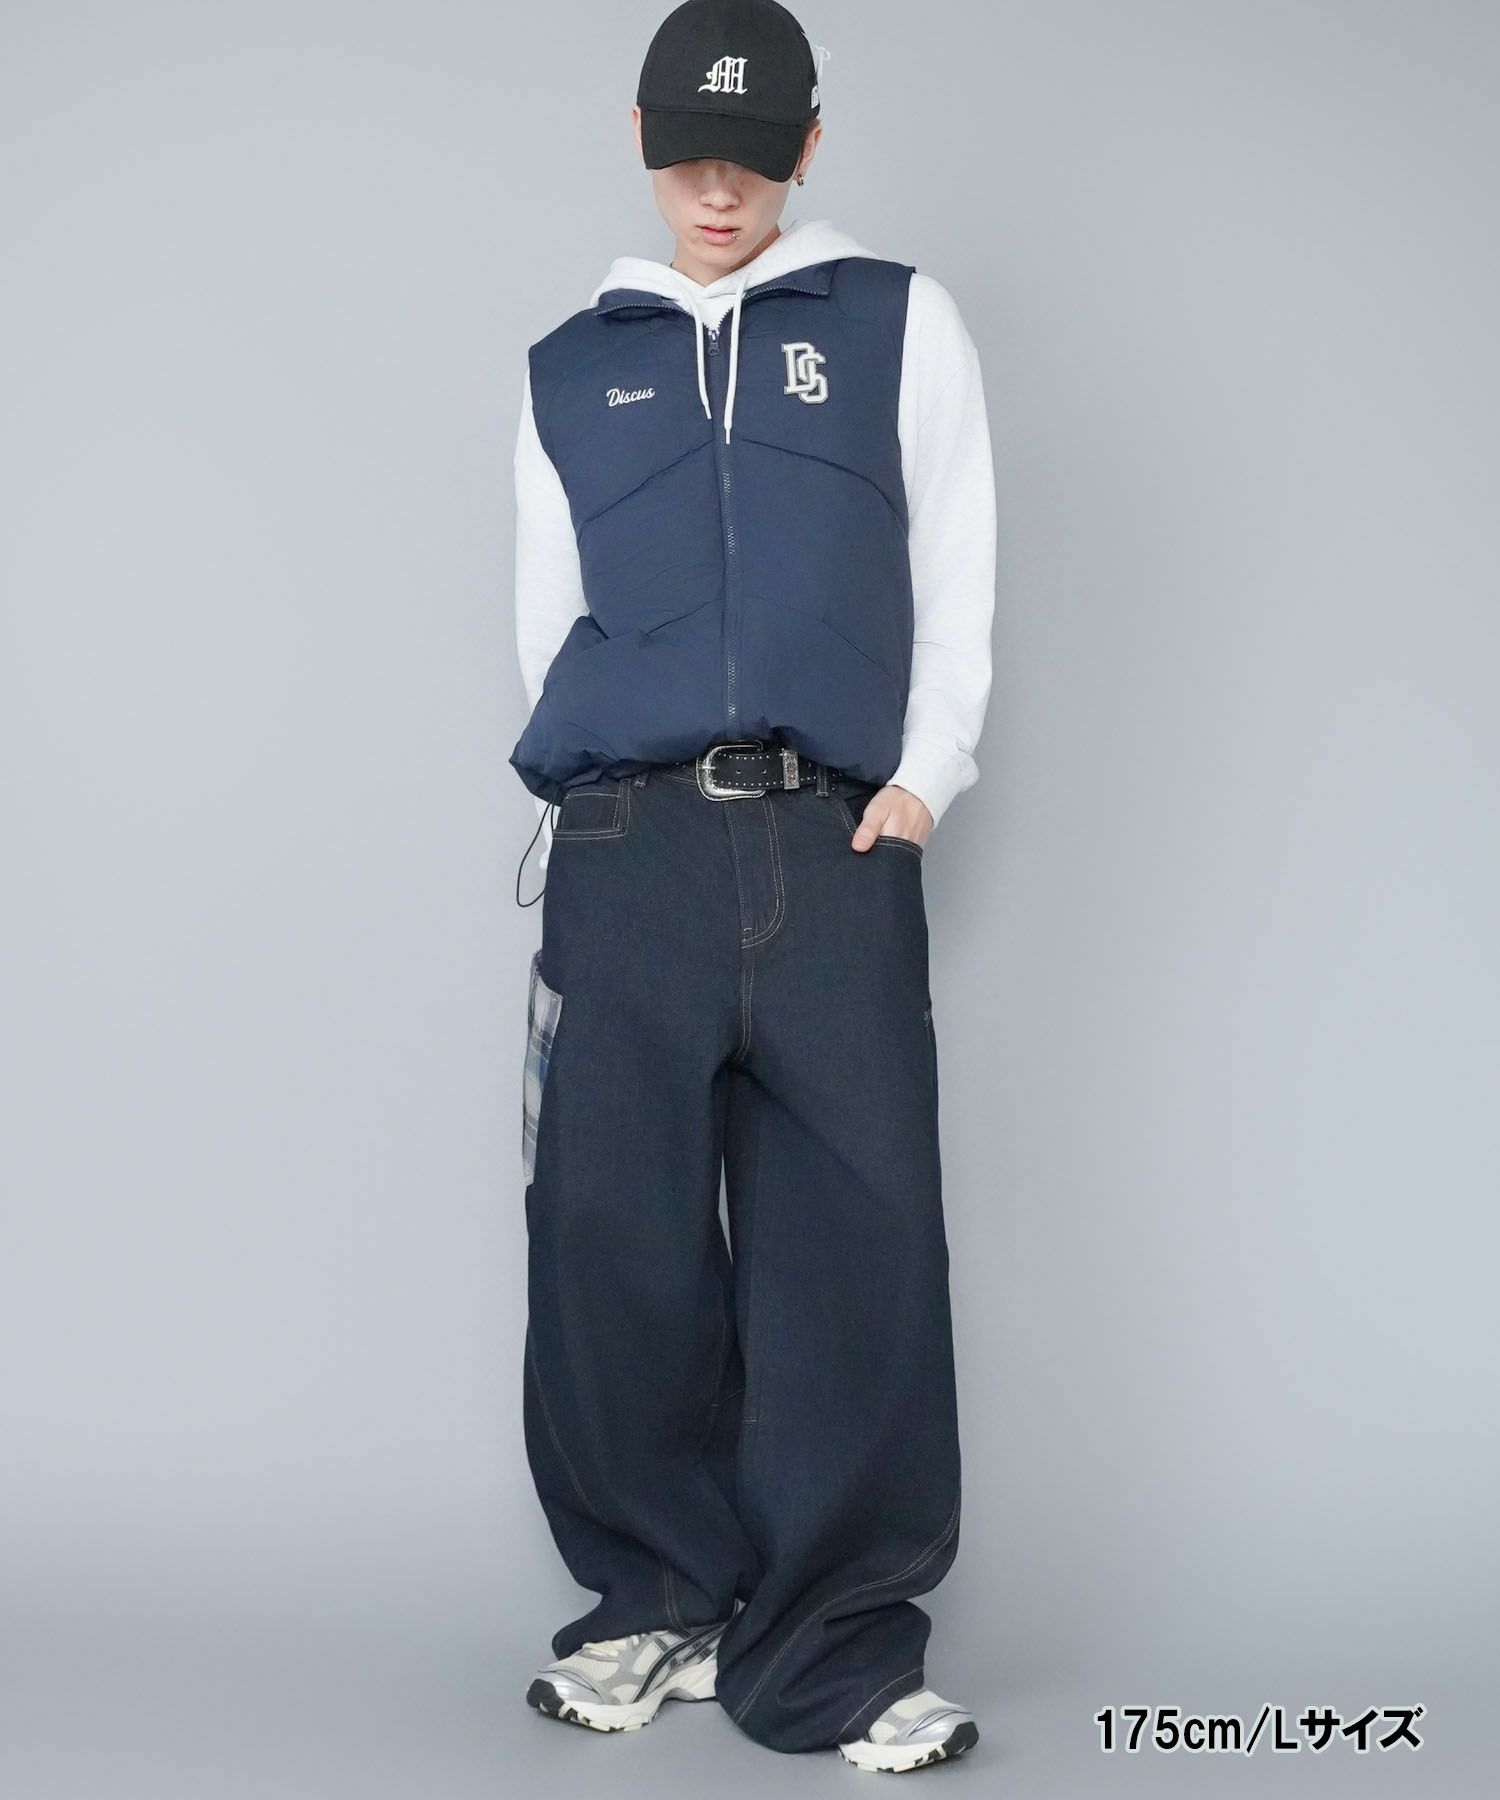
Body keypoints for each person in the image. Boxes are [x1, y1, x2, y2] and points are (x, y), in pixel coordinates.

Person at [507, 0, 995, 1771]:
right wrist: (598, 801)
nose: (719, 193)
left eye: (755, 158)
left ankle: (839, 1654)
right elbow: (546, 619)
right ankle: (653, 1600)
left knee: (857, 1251)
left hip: (831, 844)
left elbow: (956, 560)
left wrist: (924, 781)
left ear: (807, 149)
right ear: (646, 142)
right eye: (691, 157)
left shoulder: (894, 322)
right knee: (610, 1242)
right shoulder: (571, 364)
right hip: (628, 850)